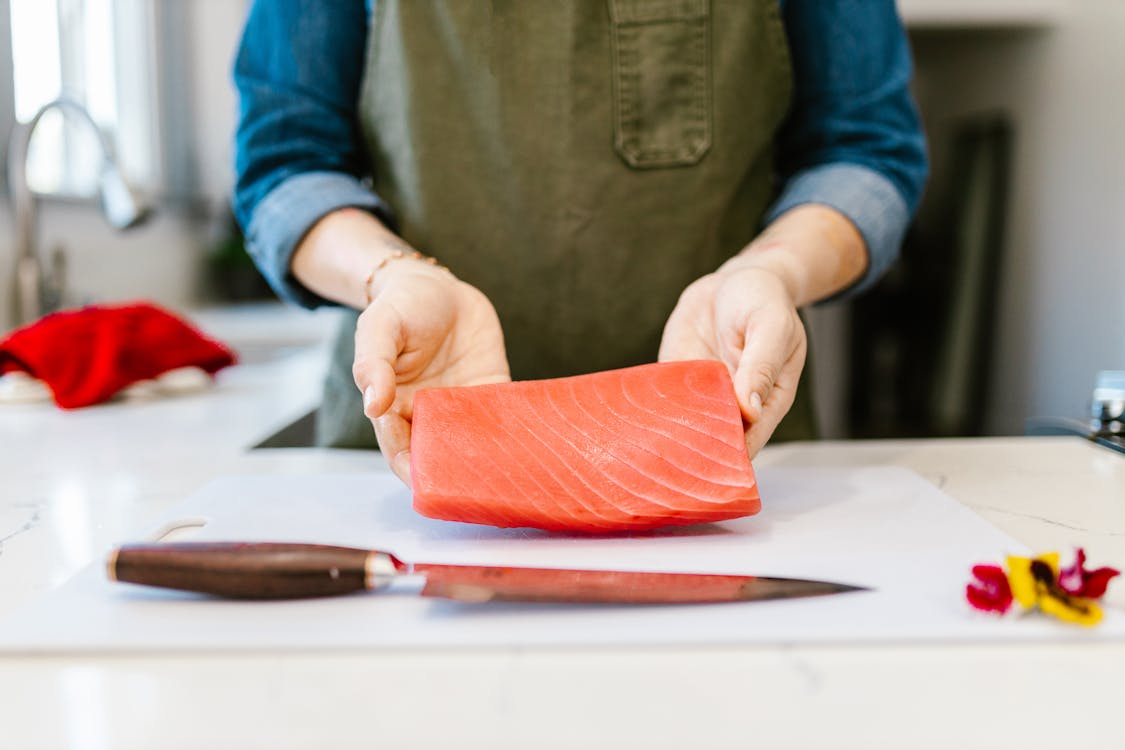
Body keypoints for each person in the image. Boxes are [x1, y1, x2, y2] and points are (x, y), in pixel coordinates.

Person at [233, 0, 927, 483]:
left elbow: (865, 151)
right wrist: (394, 277)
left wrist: (771, 272)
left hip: (721, 430)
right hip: (413, 438)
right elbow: (285, 165)